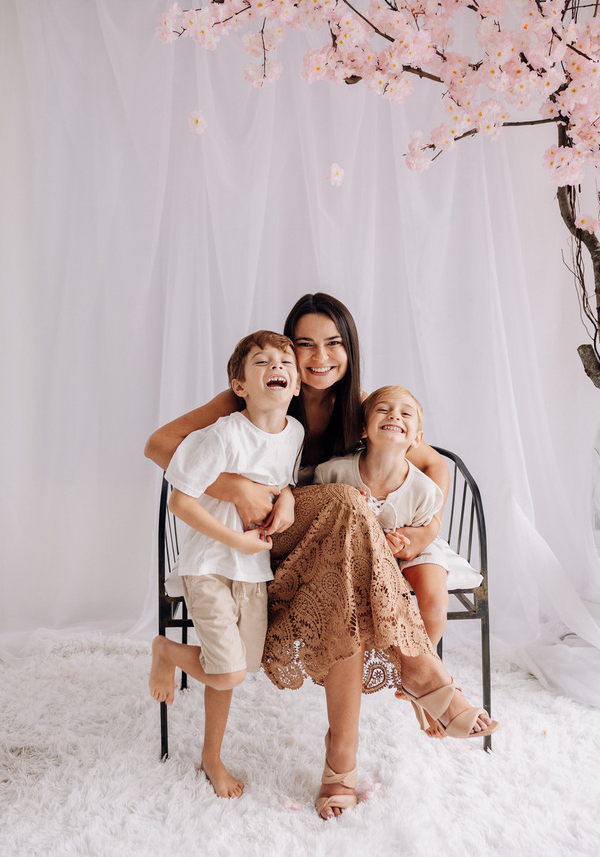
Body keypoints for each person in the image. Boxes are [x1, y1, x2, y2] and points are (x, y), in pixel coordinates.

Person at [145, 293, 499, 820]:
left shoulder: (359, 410)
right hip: (268, 540)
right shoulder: (257, 391)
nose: (319, 357)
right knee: (346, 503)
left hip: (336, 549)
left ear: (350, 350)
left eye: (334, 343)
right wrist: (238, 487)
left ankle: (342, 761)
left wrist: (425, 531)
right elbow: (159, 445)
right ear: (287, 350)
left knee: (345, 573)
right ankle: (422, 672)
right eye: (304, 344)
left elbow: (434, 463)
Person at [149, 330, 304, 799]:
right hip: (210, 564)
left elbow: (281, 481)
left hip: (253, 570)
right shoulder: (223, 433)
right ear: (240, 386)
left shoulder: (295, 433)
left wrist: (287, 498)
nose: (276, 367)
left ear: (297, 384)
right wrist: (237, 540)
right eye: (262, 361)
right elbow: (181, 501)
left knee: (240, 667)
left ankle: (209, 756)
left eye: (285, 362)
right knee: (228, 672)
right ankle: (166, 651)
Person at [313, 384, 483, 738]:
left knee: (434, 599)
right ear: (363, 430)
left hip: (416, 543)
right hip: (364, 552)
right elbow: (318, 508)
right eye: (384, 410)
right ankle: (424, 685)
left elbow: (426, 531)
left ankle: (424, 670)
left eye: (405, 414)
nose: (394, 416)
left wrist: (409, 542)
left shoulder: (424, 489)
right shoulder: (335, 473)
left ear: (417, 438)